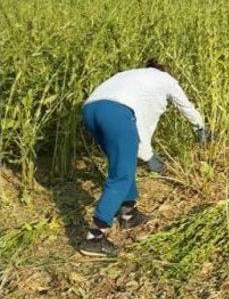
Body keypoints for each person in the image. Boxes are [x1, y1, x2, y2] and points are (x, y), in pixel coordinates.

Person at [80, 59, 210, 257]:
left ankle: (128, 214)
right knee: (121, 176)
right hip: (115, 113)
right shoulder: (165, 80)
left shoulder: (132, 76)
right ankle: (94, 239)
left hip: (90, 109)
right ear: (164, 72)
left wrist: (146, 153)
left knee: (123, 163)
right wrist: (200, 127)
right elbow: (185, 107)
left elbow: (137, 125)